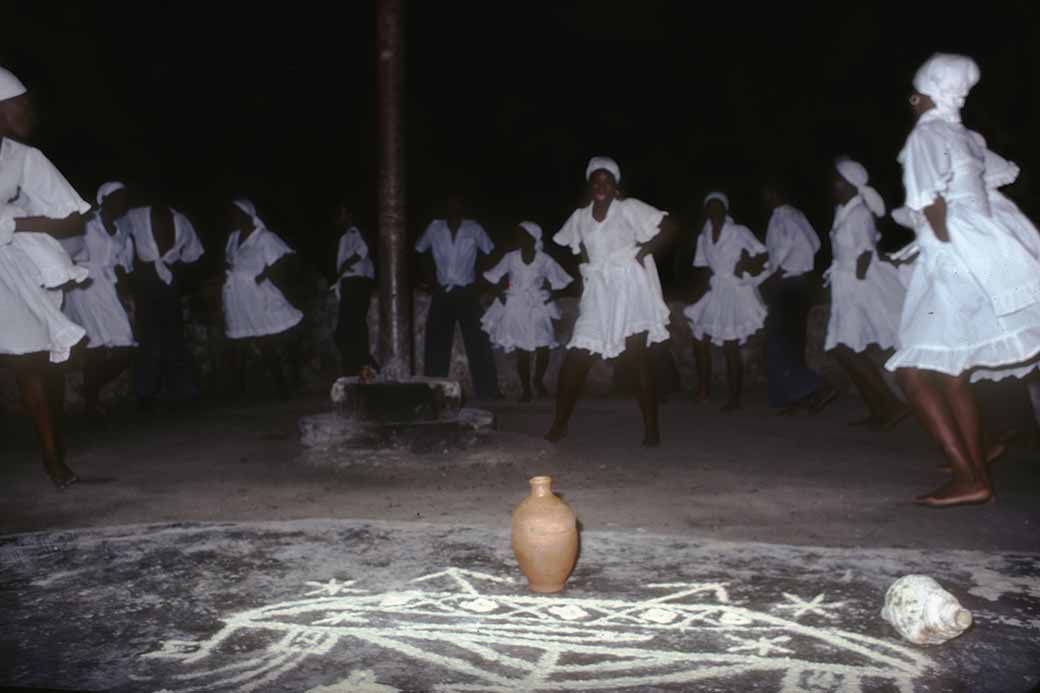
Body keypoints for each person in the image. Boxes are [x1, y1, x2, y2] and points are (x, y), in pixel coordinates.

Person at [886, 53, 1040, 507]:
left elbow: (927, 201)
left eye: (915, 95)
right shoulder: (966, 136)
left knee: (914, 372)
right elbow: (983, 187)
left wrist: (942, 247)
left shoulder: (927, 134)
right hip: (981, 249)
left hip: (952, 255)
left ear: (925, 92)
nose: (912, 103)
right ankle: (972, 469)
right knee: (951, 373)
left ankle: (967, 474)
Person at [0, 65, 90, 488]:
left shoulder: (24, 158)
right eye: (21, 105)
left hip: (8, 265)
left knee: (31, 361)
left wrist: (16, 223)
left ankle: (53, 457)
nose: (29, 113)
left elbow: (70, 217)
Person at [545, 156, 675, 446]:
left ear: (615, 185)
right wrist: (587, 270)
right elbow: (575, 247)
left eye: (607, 180)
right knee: (575, 358)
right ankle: (559, 424)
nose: (601, 185)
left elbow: (667, 226)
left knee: (635, 358)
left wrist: (642, 253)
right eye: (596, 180)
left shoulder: (628, 208)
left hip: (629, 288)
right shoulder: (580, 217)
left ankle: (651, 429)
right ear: (590, 184)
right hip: (599, 291)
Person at [824, 160, 909, 429]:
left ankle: (889, 405)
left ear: (850, 184)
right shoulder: (843, 211)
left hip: (856, 286)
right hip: (846, 284)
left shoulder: (859, 214)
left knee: (844, 348)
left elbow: (865, 252)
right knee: (844, 349)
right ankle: (880, 409)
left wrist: (856, 289)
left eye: (838, 181)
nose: (833, 185)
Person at [683, 192, 768, 411]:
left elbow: (762, 253)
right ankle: (703, 390)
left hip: (735, 289)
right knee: (699, 335)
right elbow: (702, 266)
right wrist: (699, 294)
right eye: (710, 206)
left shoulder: (738, 231)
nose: (714, 210)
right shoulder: (704, 236)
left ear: (725, 208)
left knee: (730, 344)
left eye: (718, 206)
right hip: (716, 288)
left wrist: (745, 263)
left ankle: (734, 398)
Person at [761, 181, 838, 414]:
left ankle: (816, 387)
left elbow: (802, 246)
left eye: (767, 193)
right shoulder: (790, 215)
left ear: (776, 193)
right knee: (789, 342)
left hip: (790, 284)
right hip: (794, 283)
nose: (765, 198)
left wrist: (783, 269)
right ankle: (796, 398)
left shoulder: (786, 217)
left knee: (779, 342)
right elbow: (813, 243)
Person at [61, 182, 136, 417]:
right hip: (84, 286)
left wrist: (123, 295)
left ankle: (89, 390)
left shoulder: (122, 230)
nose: (121, 203)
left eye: (124, 198)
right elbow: (64, 251)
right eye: (116, 197)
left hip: (108, 289)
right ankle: (91, 406)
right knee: (95, 346)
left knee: (125, 347)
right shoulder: (86, 224)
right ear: (103, 199)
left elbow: (123, 266)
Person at [415, 194, 501, 399]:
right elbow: (419, 250)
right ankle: (434, 391)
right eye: (449, 203)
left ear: (462, 207)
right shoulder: (435, 228)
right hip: (442, 292)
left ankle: (488, 391)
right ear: (444, 207)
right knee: (436, 343)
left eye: (457, 203)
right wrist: (429, 279)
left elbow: (491, 253)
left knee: (478, 341)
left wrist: (482, 283)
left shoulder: (474, 228)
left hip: (467, 292)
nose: (453, 207)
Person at [124, 200, 204, 411]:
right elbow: (118, 243)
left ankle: (183, 391)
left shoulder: (181, 220)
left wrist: (179, 274)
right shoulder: (134, 215)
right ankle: (145, 394)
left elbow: (193, 254)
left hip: (170, 283)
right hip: (144, 282)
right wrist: (130, 275)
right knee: (147, 338)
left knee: (175, 337)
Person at [481, 221, 573, 402]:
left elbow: (559, 279)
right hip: (516, 306)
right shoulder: (510, 257)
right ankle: (526, 390)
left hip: (538, 304)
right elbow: (494, 276)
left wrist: (550, 295)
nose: (520, 239)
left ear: (533, 238)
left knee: (544, 345)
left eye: (524, 235)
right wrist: (501, 293)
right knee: (522, 349)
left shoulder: (544, 259)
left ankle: (537, 380)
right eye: (518, 235)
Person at [222, 199, 303, 400]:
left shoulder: (264, 237)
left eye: (235, 213)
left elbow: (286, 257)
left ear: (247, 215)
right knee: (238, 340)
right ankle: (238, 391)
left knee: (264, 338)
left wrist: (264, 274)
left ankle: (282, 386)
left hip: (255, 294)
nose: (231, 218)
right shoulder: (233, 237)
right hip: (235, 295)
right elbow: (228, 260)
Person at [332, 204, 378, 377]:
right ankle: (363, 370)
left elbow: (363, 248)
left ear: (349, 215)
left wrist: (346, 264)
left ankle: (363, 367)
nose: (338, 217)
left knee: (344, 332)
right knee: (355, 329)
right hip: (355, 282)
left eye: (341, 214)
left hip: (355, 282)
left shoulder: (353, 232)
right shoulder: (347, 235)